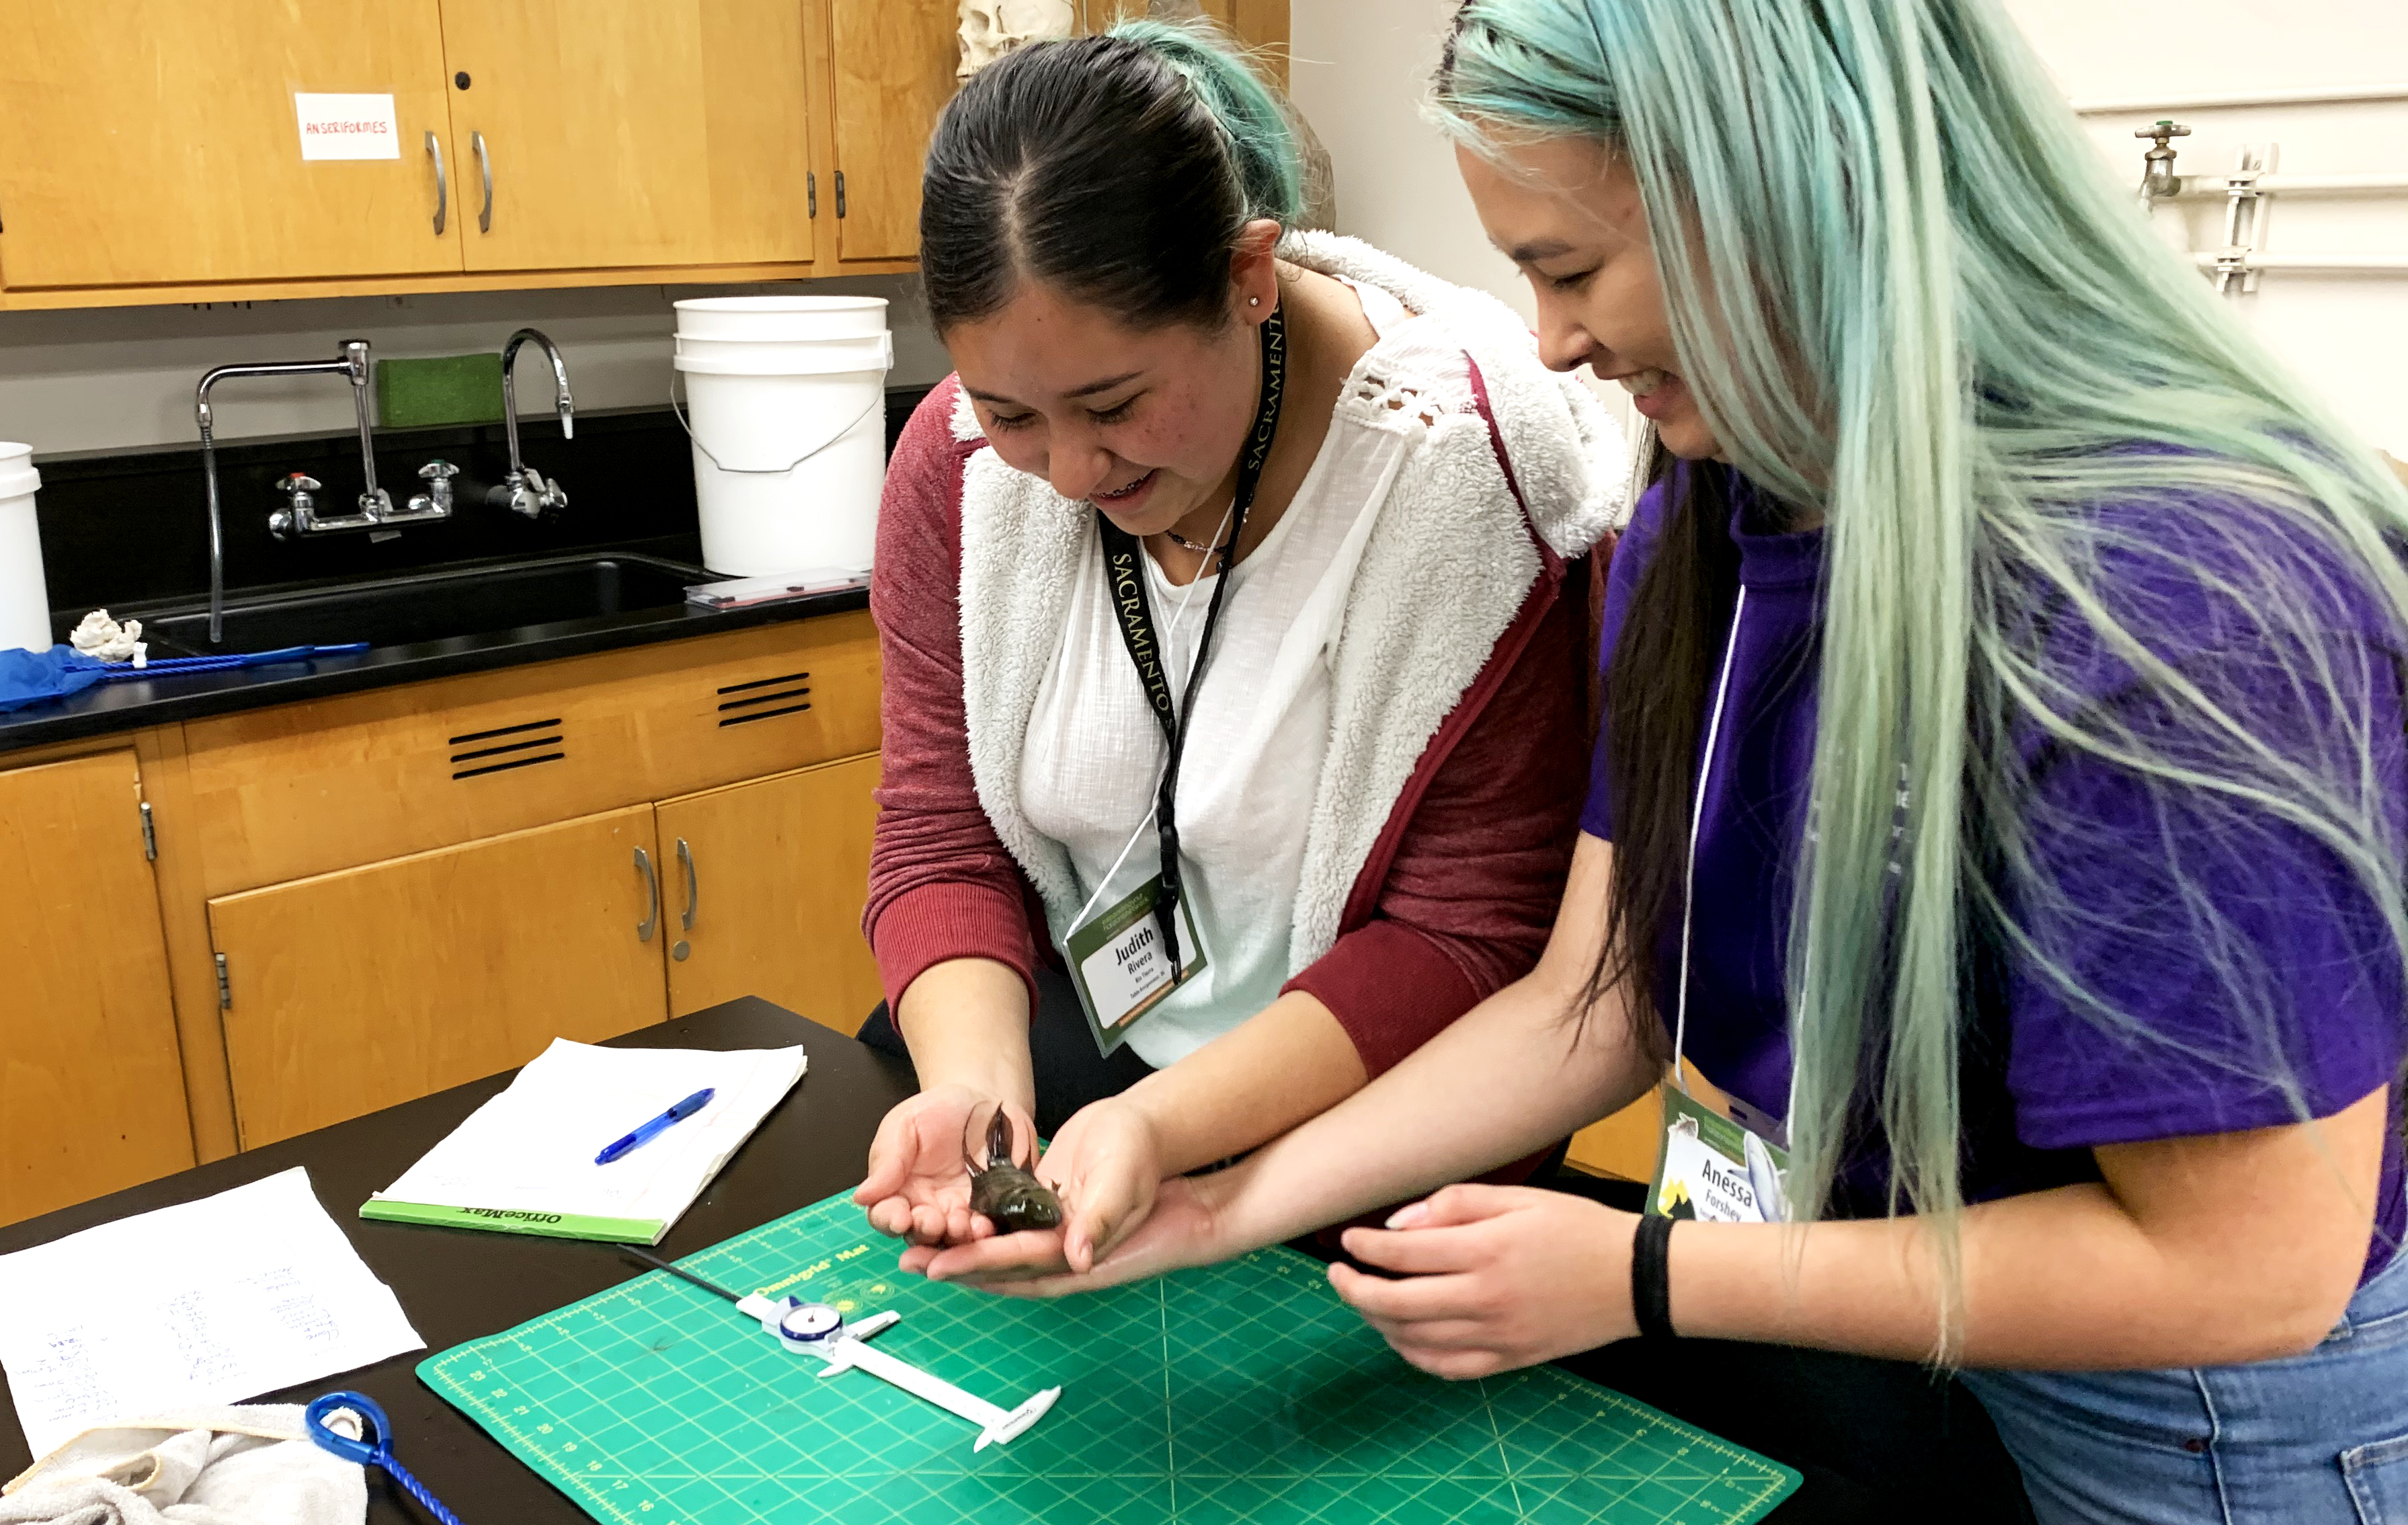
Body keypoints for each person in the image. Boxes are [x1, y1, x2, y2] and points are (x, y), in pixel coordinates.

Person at [921, 3, 2408, 1522]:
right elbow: (1601, 996)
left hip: (2198, 1415)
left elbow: (2245, 1265)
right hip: (1903, 1300)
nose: (1555, 340)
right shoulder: (1717, 504)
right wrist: (1217, 1198)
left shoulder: (2182, 605)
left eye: (1570, 270)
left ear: (1784, 196)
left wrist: (1645, 1271)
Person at [852, 20, 1630, 1276]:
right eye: (1011, 413)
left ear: (1250, 277)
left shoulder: (1472, 480)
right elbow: (942, 831)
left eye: (1115, 406)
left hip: (1384, 1125)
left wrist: (1166, 1133)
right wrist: (979, 1103)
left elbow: (1469, 937)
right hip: (1106, 1071)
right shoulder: (961, 473)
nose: (1070, 470)